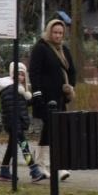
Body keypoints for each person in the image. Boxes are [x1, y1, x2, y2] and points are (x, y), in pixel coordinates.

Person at [28, 16, 77, 181]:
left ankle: (47, 164)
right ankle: (51, 165)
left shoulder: (64, 50)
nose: (57, 36)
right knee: (51, 129)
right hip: (46, 98)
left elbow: (72, 71)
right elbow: (34, 73)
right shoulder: (40, 48)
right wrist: (37, 94)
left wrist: (70, 88)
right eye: (55, 32)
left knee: (56, 130)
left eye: (60, 33)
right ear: (49, 32)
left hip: (60, 97)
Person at [0, 62, 45, 182]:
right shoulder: (11, 89)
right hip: (14, 123)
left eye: (22, 75)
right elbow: (11, 107)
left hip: (16, 122)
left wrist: (34, 99)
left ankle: (4, 171)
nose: (20, 77)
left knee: (11, 147)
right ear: (12, 74)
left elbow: (21, 105)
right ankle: (34, 171)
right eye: (18, 74)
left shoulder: (17, 89)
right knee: (24, 146)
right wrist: (16, 124)